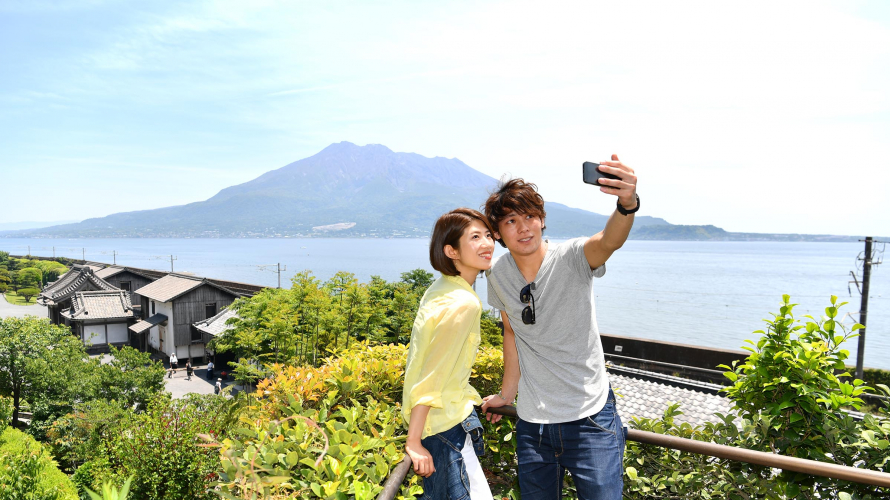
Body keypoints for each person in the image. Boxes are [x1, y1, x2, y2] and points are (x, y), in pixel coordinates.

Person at [480, 155, 639, 500]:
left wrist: (627, 204)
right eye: (511, 220)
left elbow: (608, 241)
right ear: (497, 232)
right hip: (533, 424)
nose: (523, 227)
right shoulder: (497, 274)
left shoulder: (572, 257)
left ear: (542, 220)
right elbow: (511, 333)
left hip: (590, 419)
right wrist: (506, 396)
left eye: (530, 216)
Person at [402, 208, 496, 500]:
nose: (487, 244)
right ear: (451, 250)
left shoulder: (440, 287)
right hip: (445, 427)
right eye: (475, 237)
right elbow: (434, 374)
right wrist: (414, 441)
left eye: (489, 235)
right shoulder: (464, 303)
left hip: (440, 421)